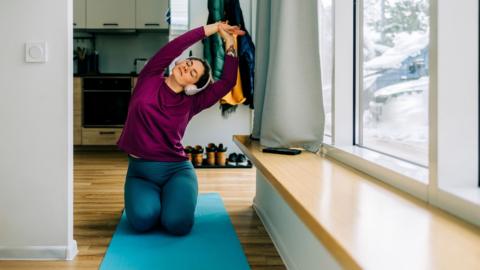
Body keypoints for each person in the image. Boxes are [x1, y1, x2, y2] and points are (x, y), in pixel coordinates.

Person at [116, 22, 244, 235]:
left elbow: (228, 81)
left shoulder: (192, 102)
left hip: (176, 170)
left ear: (192, 87)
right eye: (189, 62)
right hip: (140, 173)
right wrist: (214, 28)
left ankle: (172, 198)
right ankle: (157, 200)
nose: (187, 67)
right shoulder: (149, 77)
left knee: (177, 224)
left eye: (193, 73)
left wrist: (230, 43)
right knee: (142, 221)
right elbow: (177, 45)